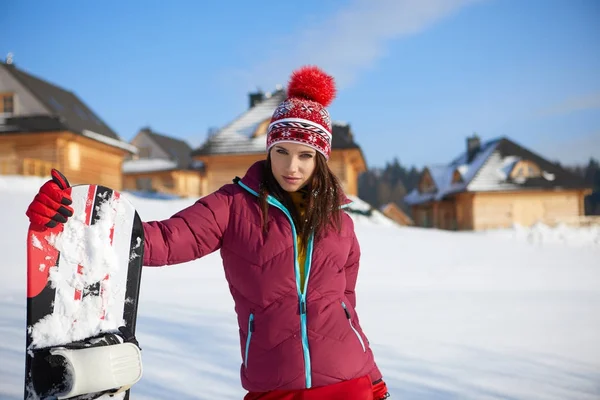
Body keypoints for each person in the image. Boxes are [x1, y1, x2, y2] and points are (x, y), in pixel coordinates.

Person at [26, 65, 390, 400]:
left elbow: (347, 309)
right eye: (281, 151)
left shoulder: (340, 222)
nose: (291, 167)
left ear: (320, 159)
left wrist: (373, 379)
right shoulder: (234, 205)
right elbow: (164, 240)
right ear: (268, 149)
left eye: (305, 155)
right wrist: (71, 219)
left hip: (350, 383)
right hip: (275, 386)